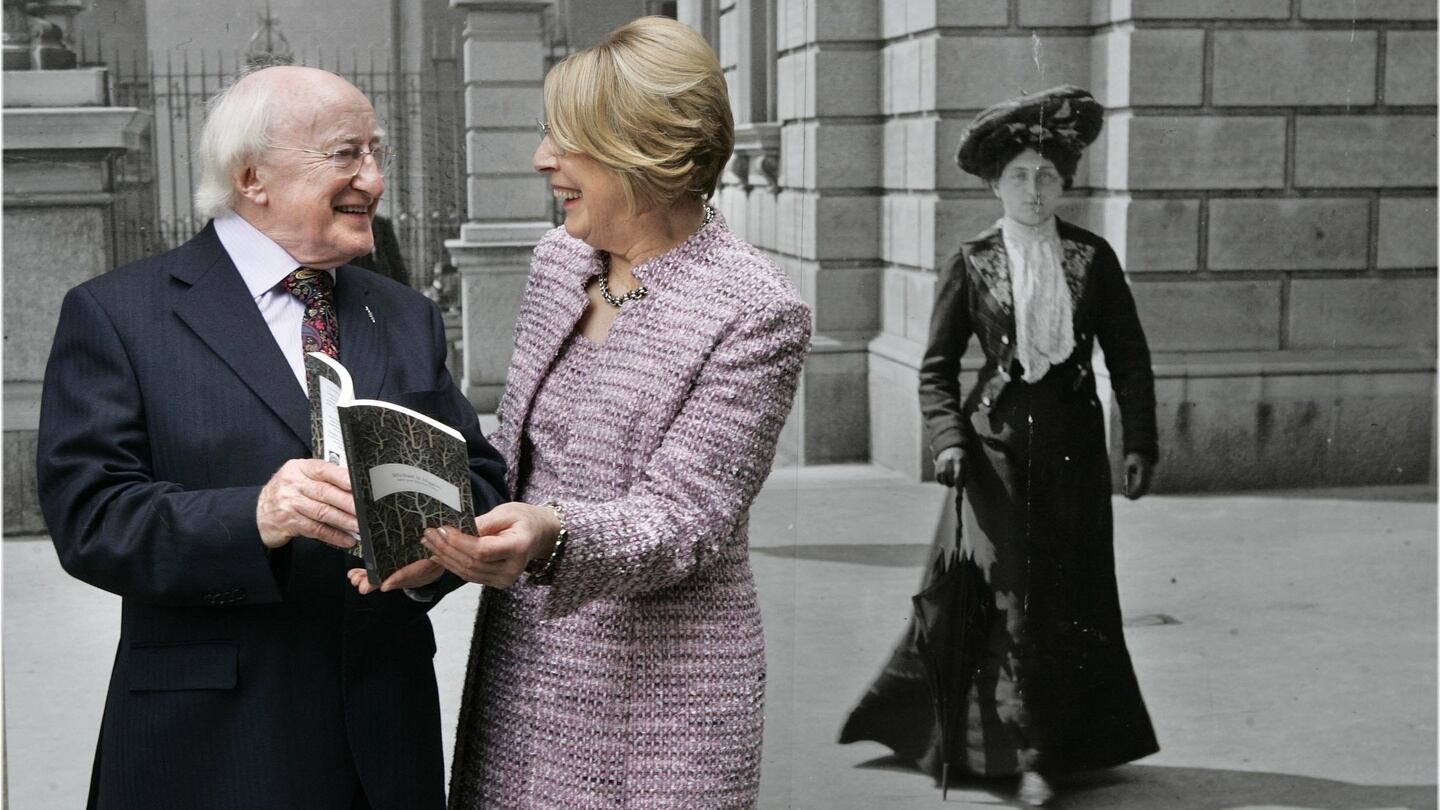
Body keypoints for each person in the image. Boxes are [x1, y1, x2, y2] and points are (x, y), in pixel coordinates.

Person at [36, 65, 507, 810]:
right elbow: (89, 517)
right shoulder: (119, 315)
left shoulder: (404, 315)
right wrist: (257, 515)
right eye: (348, 154)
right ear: (253, 176)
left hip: (383, 742)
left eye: (377, 154)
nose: (375, 180)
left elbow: (479, 475)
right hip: (212, 745)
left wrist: (433, 555)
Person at [366, 16, 808, 809]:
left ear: (648, 150)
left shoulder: (755, 311)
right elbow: (517, 450)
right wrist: (443, 529)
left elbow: (689, 516)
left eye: (567, 141)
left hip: (660, 696)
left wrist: (555, 535)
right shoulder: (559, 260)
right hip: (524, 666)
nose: (543, 161)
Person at [838, 85, 1159, 806]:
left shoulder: (1093, 257)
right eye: (1019, 175)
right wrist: (949, 441)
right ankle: (1031, 755)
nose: (1035, 189)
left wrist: (1138, 442)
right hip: (994, 455)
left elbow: (1131, 358)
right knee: (1013, 598)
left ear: (1065, 182)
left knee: (1069, 592)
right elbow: (936, 368)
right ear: (994, 183)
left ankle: (1068, 740)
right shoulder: (973, 260)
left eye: (1048, 175)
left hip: (1075, 452)